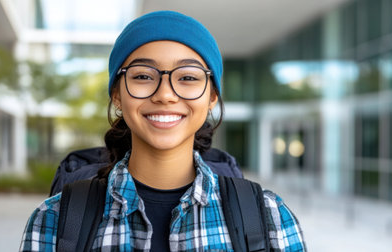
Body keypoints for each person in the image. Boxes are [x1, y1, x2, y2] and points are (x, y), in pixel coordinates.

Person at [20, 10, 306, 251]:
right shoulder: (55, 219)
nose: (165, 94)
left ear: (212, 96)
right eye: (143, 76)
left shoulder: (270, 218)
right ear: (117, 95)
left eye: (188, 77)